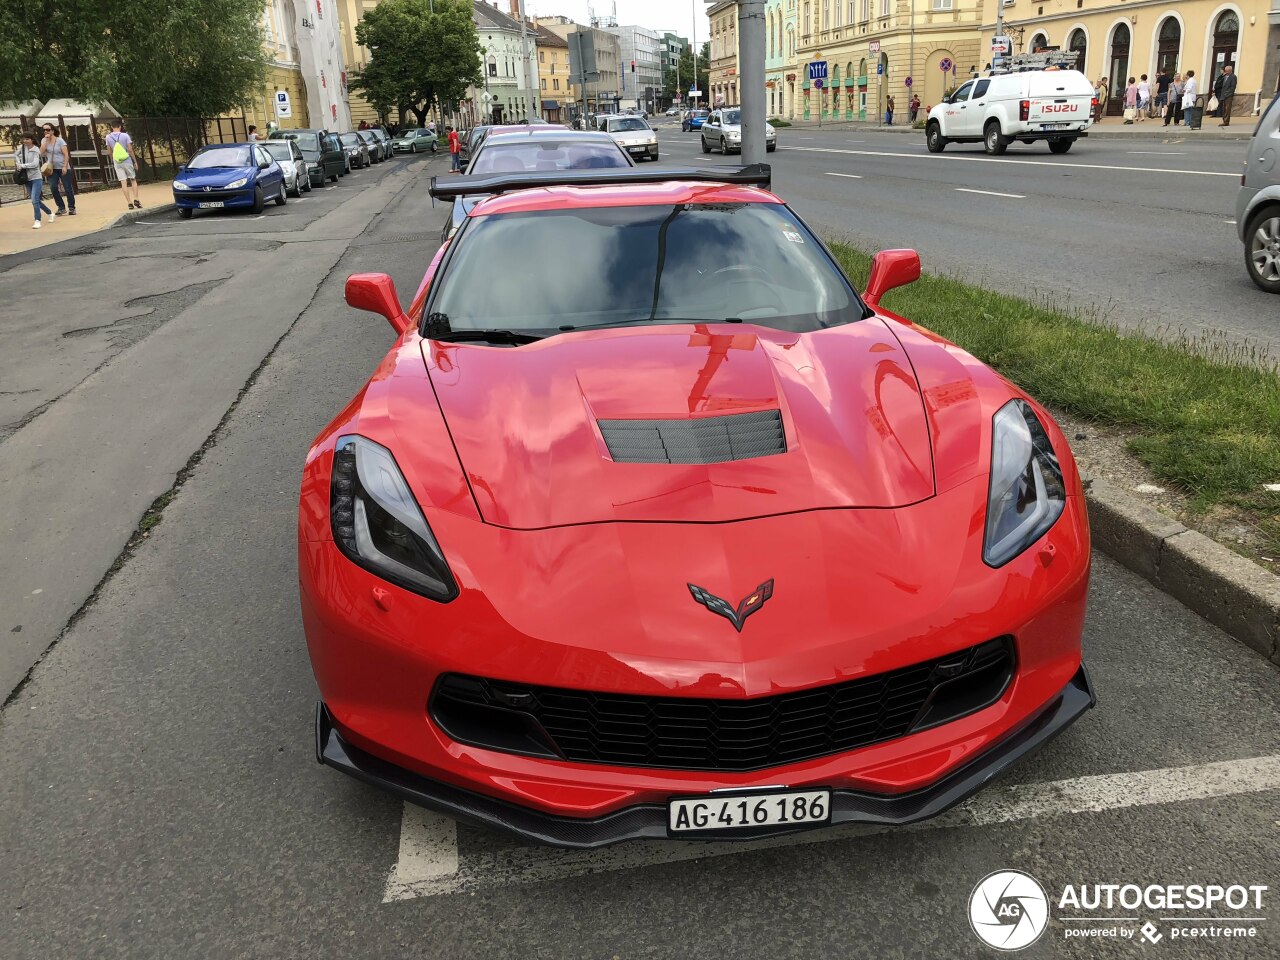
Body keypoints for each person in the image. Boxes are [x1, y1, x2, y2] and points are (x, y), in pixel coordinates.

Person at [13, 132, 54, 229]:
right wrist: (18, 163)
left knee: (34, 200)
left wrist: (23, 166)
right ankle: (50, 213)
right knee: (35, 200)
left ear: (32, 140)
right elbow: (15, 154)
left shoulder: (35, 150)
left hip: (36, 178)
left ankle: (37, 220)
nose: (25, 141)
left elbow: (35, 164)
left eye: (27, 139)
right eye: (24, 139)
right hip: (26, 178)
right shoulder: (22, 148)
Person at [40, 122, 76, 217]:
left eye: (47, 129)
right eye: (44, 130)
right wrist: (46, 141)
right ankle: (61, 207)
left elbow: (66, 154)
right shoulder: (44, 140)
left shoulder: (60, 140)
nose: (45, 131)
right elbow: (41, 152)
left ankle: (72, 207)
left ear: (52, 130)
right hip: (52, 169)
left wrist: (65, 166)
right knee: (53, 187)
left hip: (62, 167)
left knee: (67, 188)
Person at [105, 119, 142, 209]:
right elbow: (129, 149)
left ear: (112, 127)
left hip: (117, 162)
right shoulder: (125, 136)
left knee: (123, 182)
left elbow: (109, 151)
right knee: (133, 180)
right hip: (127, 160)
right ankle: (136, 199)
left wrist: (112, 159)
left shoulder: (108, 137)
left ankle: (129, 203)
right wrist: (134, 161)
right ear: (120, 126)